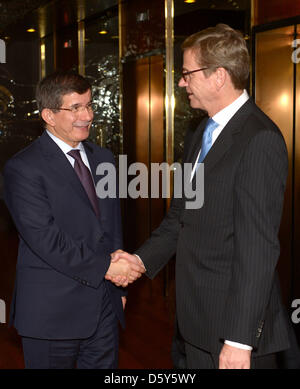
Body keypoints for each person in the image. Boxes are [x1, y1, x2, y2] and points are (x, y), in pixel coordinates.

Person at [107, 24, 291, 369]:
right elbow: (181, 217)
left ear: (218, 76)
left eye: (187, 73)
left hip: (234, 333)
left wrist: (239, 340)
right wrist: (140, 261)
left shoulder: (259, 139)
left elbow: (257, 247)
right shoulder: (201, 132)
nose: (181, 82)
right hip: (195, 321)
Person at [3, 71, 144, 369]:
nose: (87, 115)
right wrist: (108, 267)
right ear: (49, 115)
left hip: (104, 308)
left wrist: (118, 288)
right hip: (52, 314)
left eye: (89, 105)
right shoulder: (23, 168)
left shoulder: (104, 158)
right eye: (75, 108)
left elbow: (111, 228)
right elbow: (46, 239)